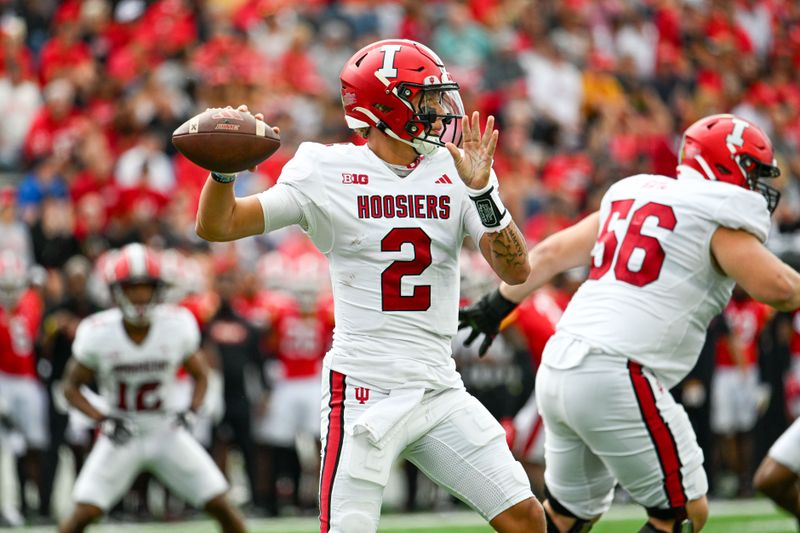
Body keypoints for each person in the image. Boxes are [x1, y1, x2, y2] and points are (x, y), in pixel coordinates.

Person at [195, 39, 544, 533]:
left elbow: (516, 270)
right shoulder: (325, 170)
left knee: (527, 519)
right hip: (363, 386)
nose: (440, 109)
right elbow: (221, 225)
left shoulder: (454, 169)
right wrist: (223, 171)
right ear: (387, 106)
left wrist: (483, 191)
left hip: (437, 382)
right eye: (425, 99)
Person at [459, 113, 800, 532]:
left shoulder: (635, 191)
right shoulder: (714, 215)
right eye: (753, 170)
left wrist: (497, 305)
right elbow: (780, 289)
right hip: (616, 372)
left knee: (565, 516)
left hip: (561, 365)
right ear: (725, 164)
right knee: (684, 514)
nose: (761, 184)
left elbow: (549, 254)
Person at [57, 243, 246, 533]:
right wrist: (101, 418)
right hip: (122, 432)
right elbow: (71, 386)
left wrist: (193, 410)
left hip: (165, 429)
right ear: (116, 291)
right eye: (132, 288)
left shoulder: (177, 324)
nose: (140, 295)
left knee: (221, 504)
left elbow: (202, 374)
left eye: (146, 287)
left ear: (159, 290)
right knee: (83, 512)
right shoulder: (97, 332)